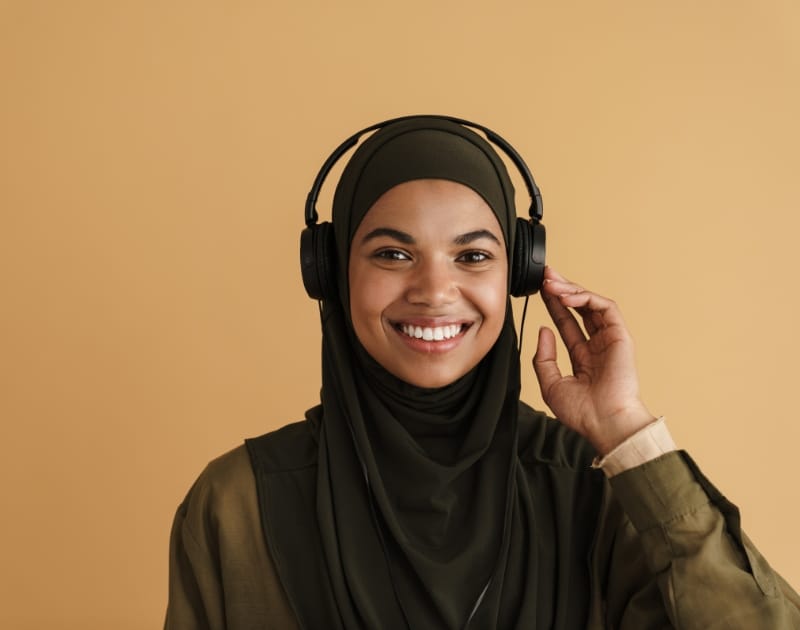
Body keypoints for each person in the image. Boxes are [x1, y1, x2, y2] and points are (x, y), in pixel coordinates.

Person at [164, 116, 800, 629]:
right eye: (392, 253)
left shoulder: (595, 488)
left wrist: (628, 433)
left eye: (472, 255)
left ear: (517, 273)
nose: (436, 291)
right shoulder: (236, 505)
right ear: (330, 275)